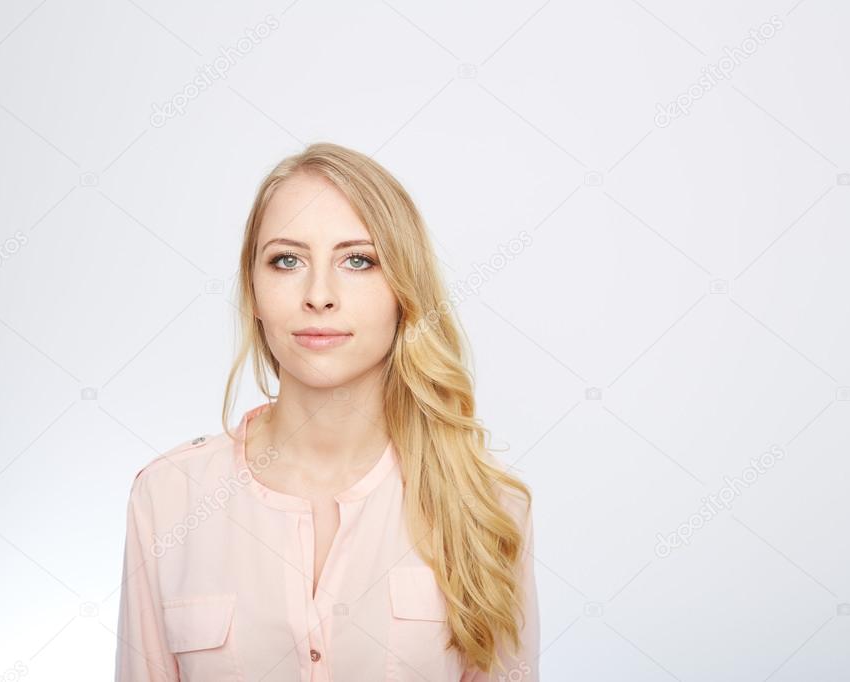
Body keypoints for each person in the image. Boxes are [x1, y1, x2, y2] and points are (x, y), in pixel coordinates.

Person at [114, 142, 539, 681]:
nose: (319, 295)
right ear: (254, 291)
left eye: (357, 260)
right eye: (287, 260)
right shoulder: (168, 495)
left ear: (403, 292)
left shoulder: (489, 506)